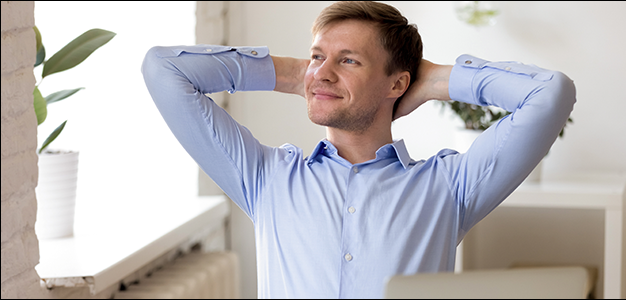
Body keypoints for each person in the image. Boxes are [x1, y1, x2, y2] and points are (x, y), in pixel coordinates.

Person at [142, 1, 576, 298]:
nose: (324, 71)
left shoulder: (448, 186)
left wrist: (435, 81)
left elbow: (551, 93)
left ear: (397, 83)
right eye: (317, 56)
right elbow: (163, 69)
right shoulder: (266, 177)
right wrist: (299, 76)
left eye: (349, 60)